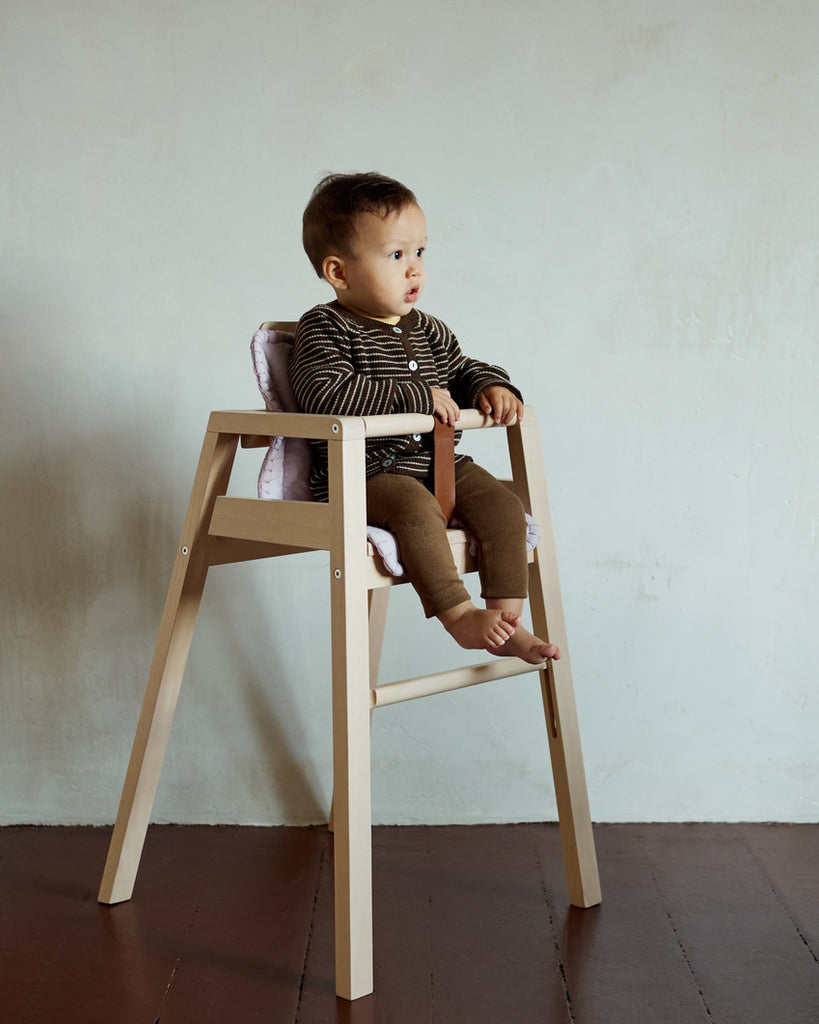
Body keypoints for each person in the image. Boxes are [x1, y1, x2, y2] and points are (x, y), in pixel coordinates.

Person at [291, 172, 559, 665]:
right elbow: (324, 394)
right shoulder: (325, 327)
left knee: (504, 505)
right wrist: (416, 395)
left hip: (441, 465)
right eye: (397, 256)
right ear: (339, 271)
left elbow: (460, 370)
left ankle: (506, 617)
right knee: (414, 507)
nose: (415, 270)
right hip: (366, 475)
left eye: (420, 253)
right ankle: (460, 617)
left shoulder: (430, 330)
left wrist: (490, 386)